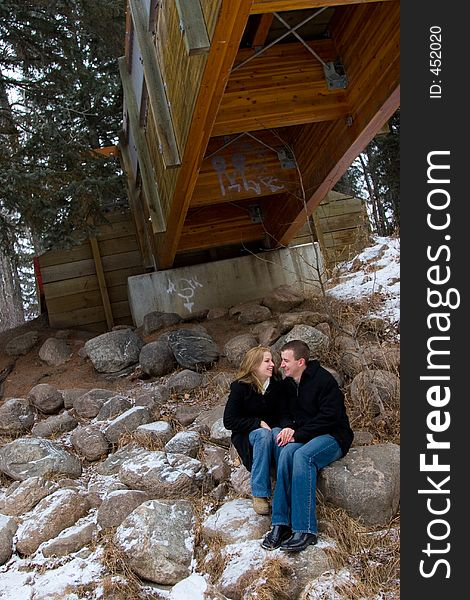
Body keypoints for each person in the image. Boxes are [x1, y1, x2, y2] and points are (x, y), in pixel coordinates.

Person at [262, 339, 354, 552]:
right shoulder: (288, 384)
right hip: (304, 435)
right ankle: (281, 523)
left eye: (285, 361)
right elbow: (282, 413)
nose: (281, 365)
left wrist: (298, 434)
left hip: (332, 436)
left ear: (300, 361)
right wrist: (286, 428)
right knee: (286, 454)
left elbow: (330, 417)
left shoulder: (323, 380)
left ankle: (305, 529)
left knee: (303, 456)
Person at [223, 346, 284, 515]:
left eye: (272, 360)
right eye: (267, 361)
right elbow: (229, 421)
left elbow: (286, 414)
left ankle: (284, 491)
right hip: (249, 434)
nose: (272, 364)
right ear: (254, 365)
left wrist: (282, 428)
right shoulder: (240, 387)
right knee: (264, 435)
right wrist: (257, 423)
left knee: (279, 435)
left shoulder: (277, 385)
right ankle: (260, 494)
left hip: (274, 430)